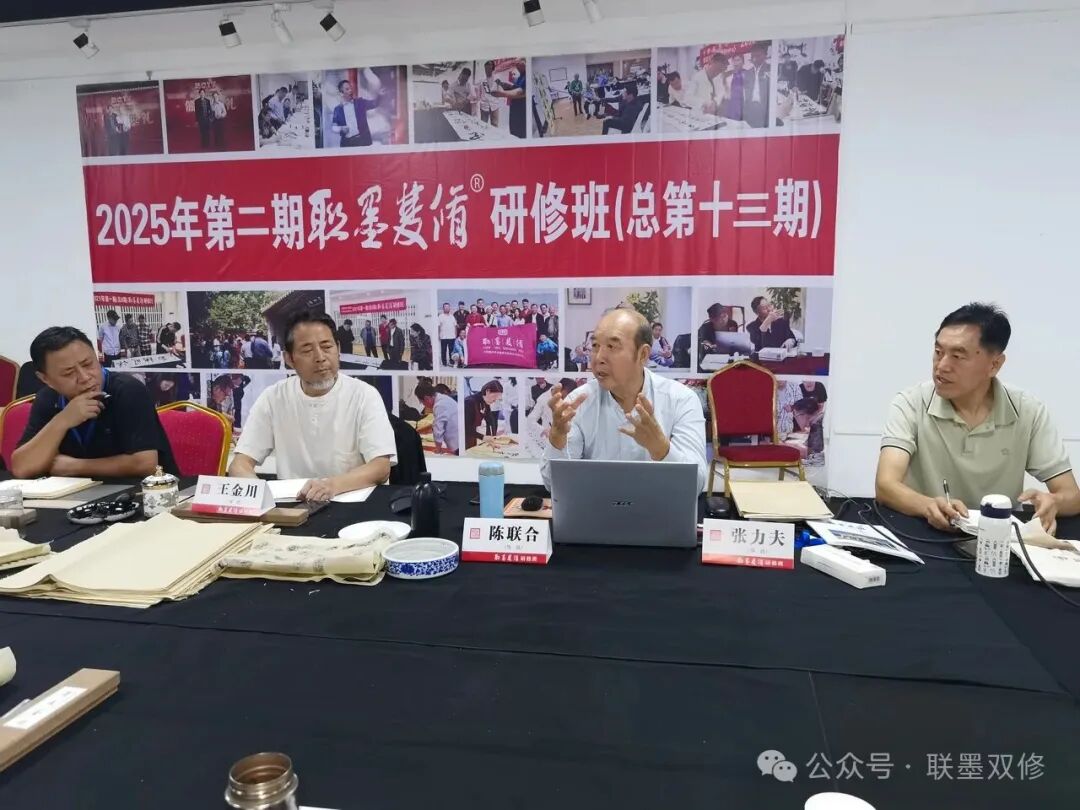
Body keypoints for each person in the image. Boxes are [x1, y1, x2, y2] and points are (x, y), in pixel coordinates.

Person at [876, 303, 1080, 535]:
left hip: (997, 537)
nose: (942, 366)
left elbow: (1072, 495)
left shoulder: (1028, 411)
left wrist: (1054, 502)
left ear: (994, 365)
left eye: (957, 356)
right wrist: (927, 505)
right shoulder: (911, 403)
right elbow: (886, 485)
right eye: (938, 352)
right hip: (924, 532)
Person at [228, 311, 397, 502]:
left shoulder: (364, 395)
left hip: (353, 507)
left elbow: (380, 467)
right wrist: (260, 497)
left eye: (327, 347)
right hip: (294, 507)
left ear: (338, 349)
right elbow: (240, 464)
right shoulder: (273, 398)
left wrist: (331, 486)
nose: (320, 357)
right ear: (289, 359)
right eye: (307, 350)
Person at [539, 308, 707, 491]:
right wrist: (557, 438)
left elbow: (696, 486)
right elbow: (553, 485)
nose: (598, 358)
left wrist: (661, 448)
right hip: (596, 508)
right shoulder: (578, 401)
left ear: (643, 354)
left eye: (612, 346)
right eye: (595, 346)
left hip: (659, 508)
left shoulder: (681, 400)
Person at [12, 326, 178, 479]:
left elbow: (146, 463)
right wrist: (62, 420)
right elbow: (22, 468)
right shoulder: (47, 398)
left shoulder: (128, 390)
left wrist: (72, 467)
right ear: (45, 379)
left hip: (143, 492)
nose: (85, 377)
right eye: (68, 373)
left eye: (88, 364)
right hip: (76, 495)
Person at [332, 78, 382, 148]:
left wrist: (380, 95)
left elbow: (374, 104)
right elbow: (334, 127)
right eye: (347, 89)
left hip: (363, 142)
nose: (350, 90)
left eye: (350, 88)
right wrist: (341, 128)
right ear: (341, 93)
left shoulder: (360, 102)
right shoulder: (337, 109)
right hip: (347, 144)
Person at [415, 382, 459, 455]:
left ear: (426, 398)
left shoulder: (439, 405)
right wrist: (417, 432)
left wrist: (438, 449)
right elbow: (434, 425)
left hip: (456, 444)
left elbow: (438, 431)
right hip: (458, 440)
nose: (424, 405)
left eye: (422, 402)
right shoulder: (443, 398)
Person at [492, 61, 527, 138]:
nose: (517, 67)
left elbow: (520, 92)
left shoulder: (526, 77)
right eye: (516, 65)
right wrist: (502, 84)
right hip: (514, 108)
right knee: (513, 131)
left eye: (519, 65)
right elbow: (515, 87)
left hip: (521, 110)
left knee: (519, 133)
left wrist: (501, 94)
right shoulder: (521, 76)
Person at [465, 380, 503, 450]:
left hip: (473, 435)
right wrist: (483, 437)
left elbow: (490, 421)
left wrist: (491, 439)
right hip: (464, 436)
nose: (495, 400)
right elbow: (466, 427)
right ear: (487, 391)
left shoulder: (485, 402)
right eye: (495, 396)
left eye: (497, 398)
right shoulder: (469, 402)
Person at [742, 42, 771, 128]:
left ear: (765, 55)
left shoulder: (771, 69)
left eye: (758, 55)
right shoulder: (747, 73)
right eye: (753, 55)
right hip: (750, 110)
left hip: (765, 110)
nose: (755, 58)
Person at [477, 61, 501, 128]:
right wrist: (480, 101)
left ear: (492, 69)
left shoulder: (497, 79)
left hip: (495, 106)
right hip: (484, 106)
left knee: (495, 125)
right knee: (483, 125)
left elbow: (500, 92)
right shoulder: (482, 80)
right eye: (486, 69)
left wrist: (496, 100)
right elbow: (479, 93)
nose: (487, 70)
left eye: (489, 68)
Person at [724, 54, 746, 120]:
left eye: (738, 60)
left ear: (743, 62)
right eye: (734, 60)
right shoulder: (727, 75)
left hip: (743, 107)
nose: (736, 62)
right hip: (729, 107)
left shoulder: (748, 74)